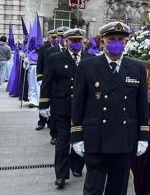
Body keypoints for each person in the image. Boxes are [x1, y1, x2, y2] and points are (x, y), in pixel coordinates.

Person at [71, 22, 149, 195]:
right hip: (96, 138)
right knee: (93, 188)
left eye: (120, 39)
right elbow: (78, 103)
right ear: (102, 42)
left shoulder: (137, 68)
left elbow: (142, 105)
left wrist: (143, 135)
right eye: (111, 39)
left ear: (126, 42)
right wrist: (76, 135)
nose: (116, 43)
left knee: (118, 188)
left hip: (124, 138)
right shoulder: (87, 66)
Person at [40, 28, 92, 189]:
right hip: (62, 105)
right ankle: (61, 175)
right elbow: (47, 81)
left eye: (79, 41)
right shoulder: (55, 58)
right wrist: (44, 104)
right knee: (63, 141)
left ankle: (76, 166)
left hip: (83, 108)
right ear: (66, 41)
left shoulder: (90, 58)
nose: (76, 44)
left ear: (83, 42)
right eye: (73, 41)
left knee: (82, 138)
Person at [36, 29, 58, 131]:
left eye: (55, 37)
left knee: (54, 103)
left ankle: (51, 122)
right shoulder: (44, 48)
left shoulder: (61, 49)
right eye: (52, 37)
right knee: (44, 100)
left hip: (57, 80)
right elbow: (40, 63)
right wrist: (40, 77)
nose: (54, 39)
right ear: (49, 37)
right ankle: (42, 121)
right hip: (46, 78)